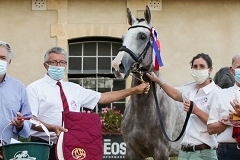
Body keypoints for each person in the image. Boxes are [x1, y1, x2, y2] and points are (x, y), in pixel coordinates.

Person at [27, 46, 150, 160]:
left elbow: (102, 98)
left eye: (62, 62)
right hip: (44, 145)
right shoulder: (34, 88)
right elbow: (30, 119)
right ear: (45, 65)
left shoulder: (73, 88)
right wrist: (51, 128)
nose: (58, 66)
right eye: (54, 62)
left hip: (71, 145)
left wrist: (134, 90)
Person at [147, 53, 219, 160]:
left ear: (210, 70)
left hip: (203, 152)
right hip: (185, 152)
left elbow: (216, 126)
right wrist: (158, 81)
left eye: (202, 66)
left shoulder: (216, 93)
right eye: (195, 66)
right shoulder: (192, 91)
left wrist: (196, 110)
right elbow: (176, 95)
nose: (198, 69)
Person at [0, 40, 32, 159]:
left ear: (9, 62)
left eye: (2, 58)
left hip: (9, 153)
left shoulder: (19, 88)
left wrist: (20, 125)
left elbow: (28, 120)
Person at [207, 54, 240, 159]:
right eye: (239, 67)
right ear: (232, 70)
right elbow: (211, 129)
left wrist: (237, 117)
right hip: (228, 152)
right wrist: (231, 120)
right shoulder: (221, 95)